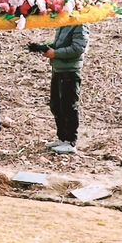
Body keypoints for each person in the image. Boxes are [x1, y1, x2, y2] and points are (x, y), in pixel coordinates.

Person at [31, 24, 89, 154]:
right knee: (56, 106)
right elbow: (61, 44)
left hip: (70, 71)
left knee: (68, 107)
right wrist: (45, 47)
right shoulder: (63, 23)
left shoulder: (80, 24)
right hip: (58, 69)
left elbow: (78, 48)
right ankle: (62, 138)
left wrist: (55, 53)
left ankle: (70, 142)